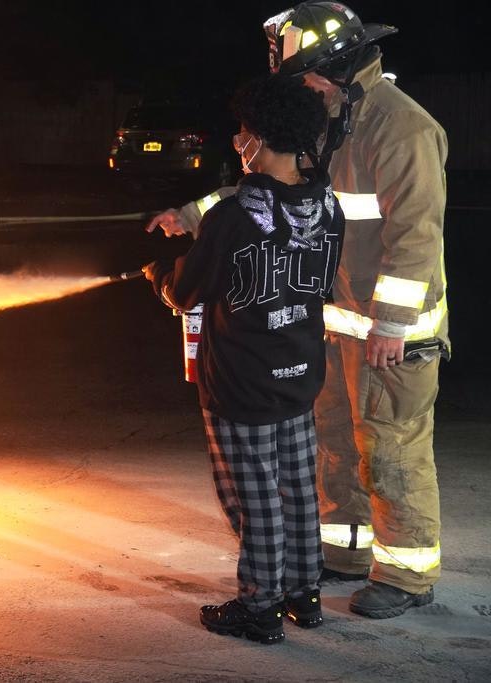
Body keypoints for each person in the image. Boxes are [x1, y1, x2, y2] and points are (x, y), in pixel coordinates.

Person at [148, 2, 449, 619]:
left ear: (337, 65)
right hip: (330, 322)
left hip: (391, 333)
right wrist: (193, 214)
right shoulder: (327, 118)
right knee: (333, 443)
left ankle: (406, 575)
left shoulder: (402, 129)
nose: (301, 93)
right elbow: (268, 181)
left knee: (389, 448)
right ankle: (345, 551)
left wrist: (391, 326)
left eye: (305, 78)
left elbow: (417, 236)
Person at [144, 75, 342, 644]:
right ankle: (304, 596)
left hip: (240, 382)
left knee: (252, 498)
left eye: (243, 135)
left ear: (261, 139)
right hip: (300, 372)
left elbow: (186, 292)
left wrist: (160, 275)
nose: (238, 143)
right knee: (298, 491)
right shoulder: (326, 206)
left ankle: (260, 608)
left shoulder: (234, 217)